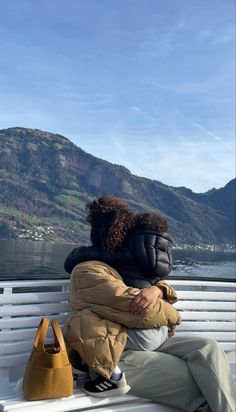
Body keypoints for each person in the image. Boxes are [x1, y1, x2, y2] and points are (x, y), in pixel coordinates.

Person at [63, 196, 235, 412]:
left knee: (209, 348)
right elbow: (144, 310)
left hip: (144, 339)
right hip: (112, 353)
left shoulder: (122, 267)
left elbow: (153, 287)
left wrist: (158, 289)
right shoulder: (89, 270)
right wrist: (173, 314)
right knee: (198, 381)